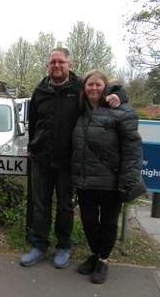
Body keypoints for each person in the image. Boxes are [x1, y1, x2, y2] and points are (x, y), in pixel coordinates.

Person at [21, 48, 126, 269]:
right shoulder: (40, 90)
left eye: (61, 62)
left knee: (65, 207)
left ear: (69, 64)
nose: (56, 66)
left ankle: (63, 246)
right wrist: (32, 145)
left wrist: (120, 95)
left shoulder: (79, 87)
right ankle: (38, 245)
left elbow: (105, 88)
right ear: (47, 65)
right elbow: (33, 121)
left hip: (68, 161)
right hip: (41, 159)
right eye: (52, 62)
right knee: (40, 206)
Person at [71, 70, 142, 284]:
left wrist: (127, 180)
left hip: (111, 181)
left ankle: (103, 260)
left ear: (106, 87)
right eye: (89, 85)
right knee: (88, 221)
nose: (93, 88)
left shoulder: (121, 110)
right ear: (84, 88)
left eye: (98, 85)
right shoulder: (80, 111)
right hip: (85, 180)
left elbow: (132, 148)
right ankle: (94, 253)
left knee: (109, 223)